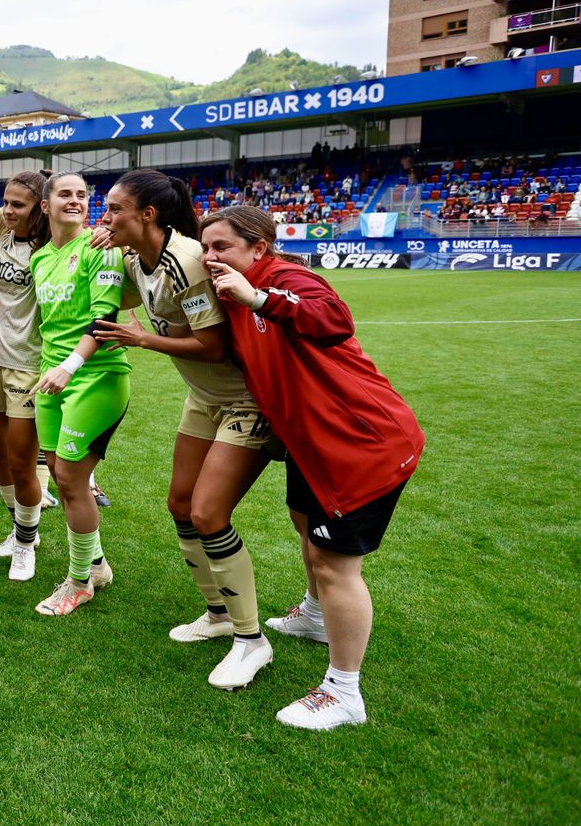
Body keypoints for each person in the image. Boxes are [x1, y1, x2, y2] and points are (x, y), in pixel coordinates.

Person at [201, 206, 424, 730]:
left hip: (361, 442)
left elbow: (333, 319)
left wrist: (257, 297)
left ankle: (343, 692)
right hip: (313, 444)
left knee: (334, 563)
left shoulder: (284, 279)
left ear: (259, 248)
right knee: (304, 522)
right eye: (205, 248)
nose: (211, 258)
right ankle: (316, 616)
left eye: (222, 248)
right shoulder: (232, 291)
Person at [91, 170, 279, 690]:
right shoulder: (138, 258)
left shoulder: (188, 261)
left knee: (207, 512)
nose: (104, 218)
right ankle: (218, 615)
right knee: (180, 505)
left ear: (148, 214)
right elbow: (120, 292)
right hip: (204, 399)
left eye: (113, 210)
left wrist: (142, 341)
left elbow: (215, 347)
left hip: (245, 399)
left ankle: (250, 639)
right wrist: (99, 245)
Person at [29, 171, 129, 616]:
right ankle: (98, 563)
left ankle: (79, 582)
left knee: (69, 479)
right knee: (57, 471)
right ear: (45, 205)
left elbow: (105, 318)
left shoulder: (99, 247)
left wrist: (70, 367)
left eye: (82, 195)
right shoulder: (40, 259)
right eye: (65, 194)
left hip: (95, 375)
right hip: (52, 378)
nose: (75, 200)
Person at [0, 106, 53, 580]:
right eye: (7, 201)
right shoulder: (1, 236)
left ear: (40, 207)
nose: (7, 209)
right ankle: (21, 529)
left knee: (23, 462)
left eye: (18, 204)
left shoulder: (49, 251)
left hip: (27, 367)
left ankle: (26, 544)